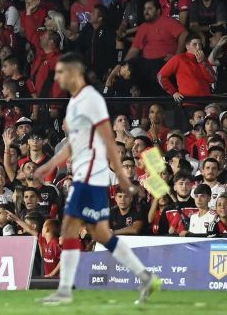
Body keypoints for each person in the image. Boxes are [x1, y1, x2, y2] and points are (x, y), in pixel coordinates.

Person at [33, 52, 159, 305]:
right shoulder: (77, 101)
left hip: (92, 176)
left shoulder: (91, 100)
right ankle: (145, 277)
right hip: (86, 175)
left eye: (61, 72)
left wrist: (122, 177)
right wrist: (47, 165)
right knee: (101, 234)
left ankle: (65, 291)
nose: (57, 77)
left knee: (70, 229)